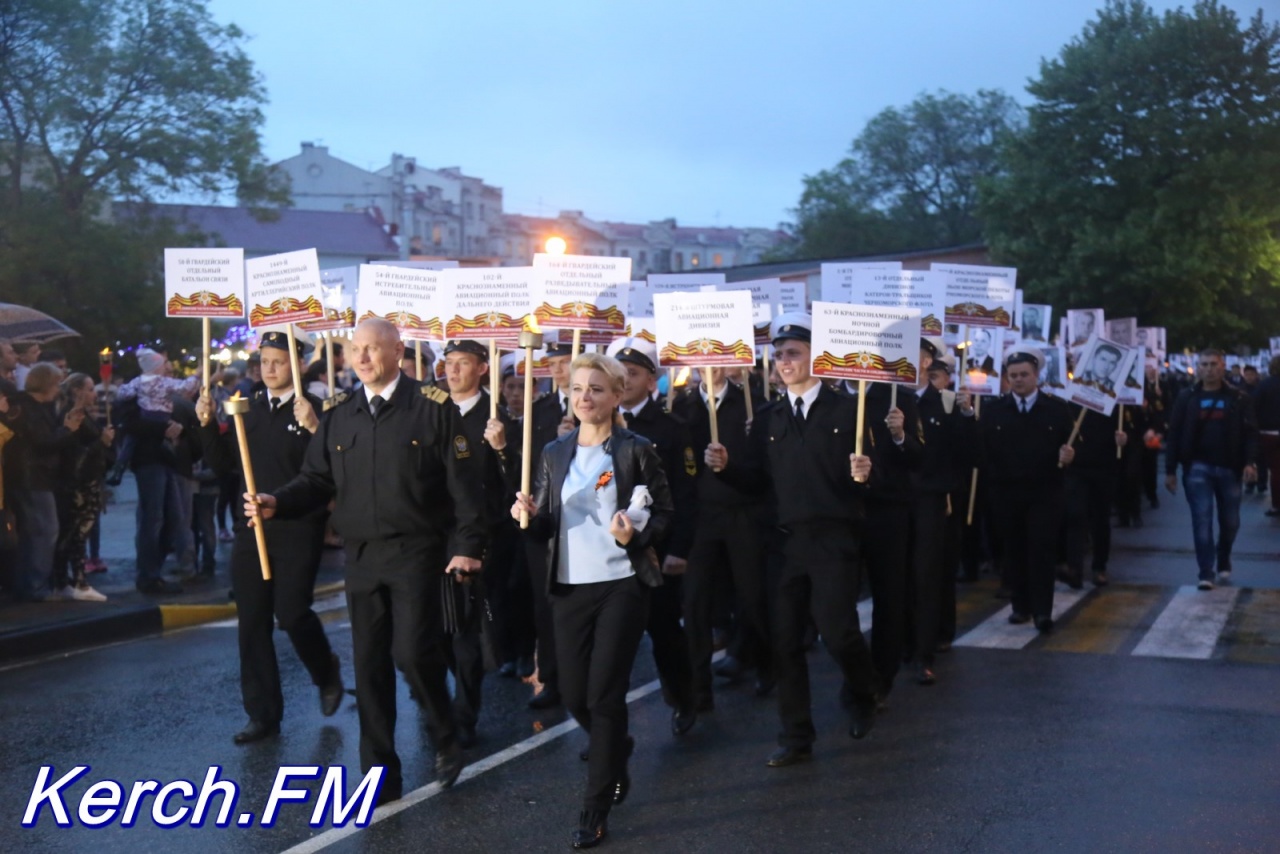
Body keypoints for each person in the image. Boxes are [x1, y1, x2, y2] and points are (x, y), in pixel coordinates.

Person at [246, 318, 486, 803]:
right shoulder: (340, 413)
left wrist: (467, 546)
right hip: (361, 556)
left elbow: (466, 490)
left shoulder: (432, 409)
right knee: (369, 665)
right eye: (356, 350)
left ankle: (445, 731)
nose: (363, 358)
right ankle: (380, 774)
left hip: (416, 551)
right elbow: (316, 479)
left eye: (373, 349)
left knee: (413, 654)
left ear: (398, 351)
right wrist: (276, 502)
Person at [511, 352, 674, 850]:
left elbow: (664, 512)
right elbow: (543, 525)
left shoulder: (636, 449)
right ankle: (616, 746)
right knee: (578, 696)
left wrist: (636, 535)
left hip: (621, 585)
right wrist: (528, 513)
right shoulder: (553, 452)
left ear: (617, 395)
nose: (585, 397)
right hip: (569, 587)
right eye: (579, 388)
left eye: (597, 389)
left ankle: (595, 806)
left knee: (603, 695)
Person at [704, 312, 880, 768]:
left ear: (815, 358)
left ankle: (863, 692)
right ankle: (796, 735)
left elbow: (874, 482)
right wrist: (727, 468)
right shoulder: (768, 417)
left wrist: (865, 474)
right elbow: (758, 482)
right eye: (779, 354)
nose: (784, 361)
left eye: (793, 353)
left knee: (838, 633)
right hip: (783, 545)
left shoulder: (849, 411)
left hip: (833, 540)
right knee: (784, 642)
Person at [199, 331, 344, 744]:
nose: (270, 368)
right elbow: (222, 463)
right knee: (252, 622)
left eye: (279, 361)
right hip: (254, 526)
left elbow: (331, 469)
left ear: (298, 365)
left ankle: (325, 670)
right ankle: (263, 715)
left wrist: (315, 427)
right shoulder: (247, 407)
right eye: (264, 361)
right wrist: (208, 423)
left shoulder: (315, 409)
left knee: (293, 613)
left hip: (299, 523)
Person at [604, 336, 699, 735]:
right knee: (610, 641)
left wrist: (679, 549)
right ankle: (606, 725)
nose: (625, 380)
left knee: (664, 631)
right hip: (607, 549)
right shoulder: (594, 425)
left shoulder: (671, 428)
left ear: (651, 380)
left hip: (654, 548)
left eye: (634, 373)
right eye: (619, 374)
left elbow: (686, 493)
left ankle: (683, 698)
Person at [674, 349, 773, 709]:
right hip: (700, 517)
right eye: (702, 360)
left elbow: (763, 471)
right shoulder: (681, 408)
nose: (710, 367)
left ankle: (765, 662)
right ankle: (698, 691)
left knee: (753, 597)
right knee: (696, 603)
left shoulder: (753, 406)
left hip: (743, 513)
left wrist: (752, 439)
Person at [440, 339, 520, 748]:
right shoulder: (431, 413)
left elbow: (519, 483)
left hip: (476, 536)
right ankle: (443, 705)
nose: (453, 371)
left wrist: (504, 449)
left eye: (463, 363)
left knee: (465, 632)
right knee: (432, 633)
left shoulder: (498, 419)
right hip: (432, 533)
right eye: (449, 363)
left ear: (482, 368)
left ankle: (465, 714)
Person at [979, 346, 1076, 632]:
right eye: (1013, 375)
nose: (1018, 380)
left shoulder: (1057, 409)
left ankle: (1043, 611)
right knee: (1014, 551)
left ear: (1036, 376)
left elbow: (1072, 444)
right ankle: (1020, 607)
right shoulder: (994, 410)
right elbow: (984, 452)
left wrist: (1070, 456)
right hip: (1007, 493)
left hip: (1045, 493)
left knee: (1041, 551)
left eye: (1024, 374)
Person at [904, 338, 973, 684]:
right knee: (892, 577)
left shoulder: (943, 404)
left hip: (928, 500)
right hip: (890, 502)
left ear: (928, 361)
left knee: (926, 576)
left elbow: (966, 454)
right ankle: (897, 644)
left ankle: (923, 651)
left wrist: (967, 416)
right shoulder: (881, 400)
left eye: (914, 354)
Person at [1165, 348, 1259, 589]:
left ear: (1223, 366)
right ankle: (1205, 571)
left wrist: (1250, 462)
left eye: (1213, 364)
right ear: (1198, 368)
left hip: (1230, 468)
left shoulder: (1238, 398)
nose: (1208, 369)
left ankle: (1223, 554)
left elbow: (1250, 434)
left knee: (1231, 522)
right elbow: (1174, 433)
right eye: (1204, 364)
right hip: (1197, 468)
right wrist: (1170, 470)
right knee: (1202, 520)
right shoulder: (1187, 397)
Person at [522, 340, 575, 709]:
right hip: (545, 519)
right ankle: (552, 679)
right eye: (552, 363)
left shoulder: (596, 406)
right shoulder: (537, 408)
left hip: (581, 521)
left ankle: (581, 681)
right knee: (544, 605)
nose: (557, 369)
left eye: (564, 361)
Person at [11, 364, 85, 600]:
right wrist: (68, 430)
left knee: (39, 531)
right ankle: (35, 586)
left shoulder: (38, 406)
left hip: (40, 476)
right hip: (32, 476)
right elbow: (42, 442)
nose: (58, 389)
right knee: (44, 530)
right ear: (46, 383)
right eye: (56, 384)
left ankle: (34, 583)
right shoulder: (26, 408)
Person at [51, 372, 114, 601]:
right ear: (77, 391)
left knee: (74, 532)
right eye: (88, 389)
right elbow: (76, 452)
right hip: (80, 481)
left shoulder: (83, 414)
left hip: (84, 479)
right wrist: (102, 441)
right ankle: (77, 581)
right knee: (76, 532)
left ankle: (65, 581)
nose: (93, 393)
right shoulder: (73, 415)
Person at [1058, 408, 1126, 588]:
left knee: (1100, 519)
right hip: (1076, 467)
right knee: (1075, 515)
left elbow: (1131, 430)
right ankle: (1075, 569)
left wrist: (1123, 439)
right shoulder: (1070, 401)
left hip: (1104, 466)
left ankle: (1099, 567)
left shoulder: (1114, 405)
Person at [1254, 355, 1280, 516]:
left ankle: (1276, 504)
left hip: (1269, 433)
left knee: (1276, 470)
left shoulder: (1264, 385)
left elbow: (1255, 407)